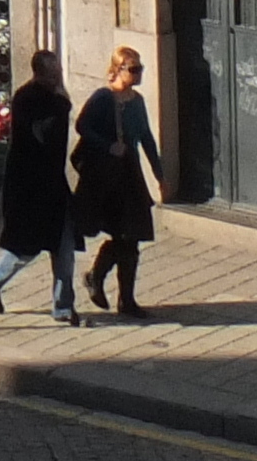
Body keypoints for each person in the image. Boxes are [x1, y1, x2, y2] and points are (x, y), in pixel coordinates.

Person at [0, 49, 78, 322]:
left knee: (64, 250)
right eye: (53, 70)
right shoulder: (30, 99)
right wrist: (61, 98)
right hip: (33, 188)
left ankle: (63, 306)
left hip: (55, 186)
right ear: (41, 72)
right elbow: (44, 134)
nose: (58, 74)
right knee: (27, 248)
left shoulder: (49, 98)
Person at [73, 45, 167, 316]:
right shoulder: (103, 98)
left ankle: (124, 297)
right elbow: (82, 126)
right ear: (117, 70)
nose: (138, 74)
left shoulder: (136, 102)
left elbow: (146, 138)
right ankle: (97, 278)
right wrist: (107, 145)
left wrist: (159, 176)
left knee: (132, 237)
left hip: (129, 175)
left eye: (140, 69)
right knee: (123, 235)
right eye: (133, 69)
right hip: (106, 178)